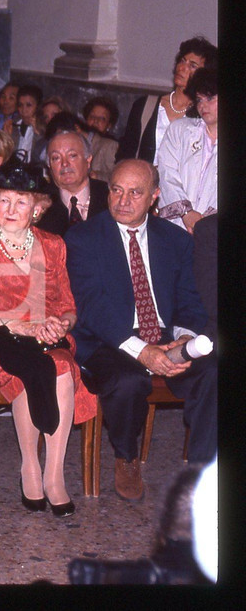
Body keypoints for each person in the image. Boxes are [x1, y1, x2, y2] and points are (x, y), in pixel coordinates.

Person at [66, 159, 216, 501]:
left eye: (135, 192)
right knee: (128, 380)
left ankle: (202, 467)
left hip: (166, 336)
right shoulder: (83, 237)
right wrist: (142, 350)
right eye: (116, 190)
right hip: (109, 339)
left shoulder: (176, 239)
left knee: (214, 372)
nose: (123, 200)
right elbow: (92, 307)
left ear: (154, 197)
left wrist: (185, 339)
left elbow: (191, 300)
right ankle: (126, 456)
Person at [0, 161, 95, 517]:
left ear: (37, 208)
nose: (11, 210)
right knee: (27, 370)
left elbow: (67, 305)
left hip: (47, 337)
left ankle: (53, 474)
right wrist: (18, 326)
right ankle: (29, 469)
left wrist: (59, 325)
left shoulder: (53, 245)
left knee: (63, 366)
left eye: (21, 202)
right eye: (4, 201)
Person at [117, 37, 217, 164]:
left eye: (192, 66)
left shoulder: (203, 114)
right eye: (182, 61)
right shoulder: (146, 106)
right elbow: (126, 152)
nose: (182, 68)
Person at [156, 67, 217, 234]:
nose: (203, 105)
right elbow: (166, 172)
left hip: (213, 230)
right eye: (199, 99)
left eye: (210, 98)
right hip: (176, 223)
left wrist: (206, 222)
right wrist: (186, 212)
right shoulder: (180, 130)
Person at [35, 130, 109, 237]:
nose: (64, 164)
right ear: (49, 166)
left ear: (88, 160)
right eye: (56, 158)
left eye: (72, 155)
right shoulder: (40, 202)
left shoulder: (109, 196)